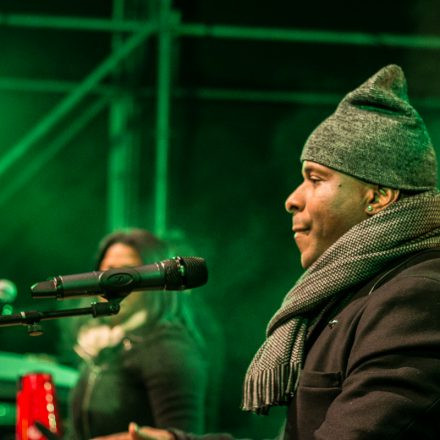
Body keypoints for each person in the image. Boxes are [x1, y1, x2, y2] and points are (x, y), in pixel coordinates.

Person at [96, 64, 440, 440]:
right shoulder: (355, 293)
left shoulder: (416, 296)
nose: (292, 200)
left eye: (315, 179)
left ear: (377, 196)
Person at [65, 228, 212, 439]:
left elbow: (181, 436)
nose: (109, 282)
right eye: (105, 271)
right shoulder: (103, 344)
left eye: (123, 274)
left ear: (156, 283)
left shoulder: (169, 348)